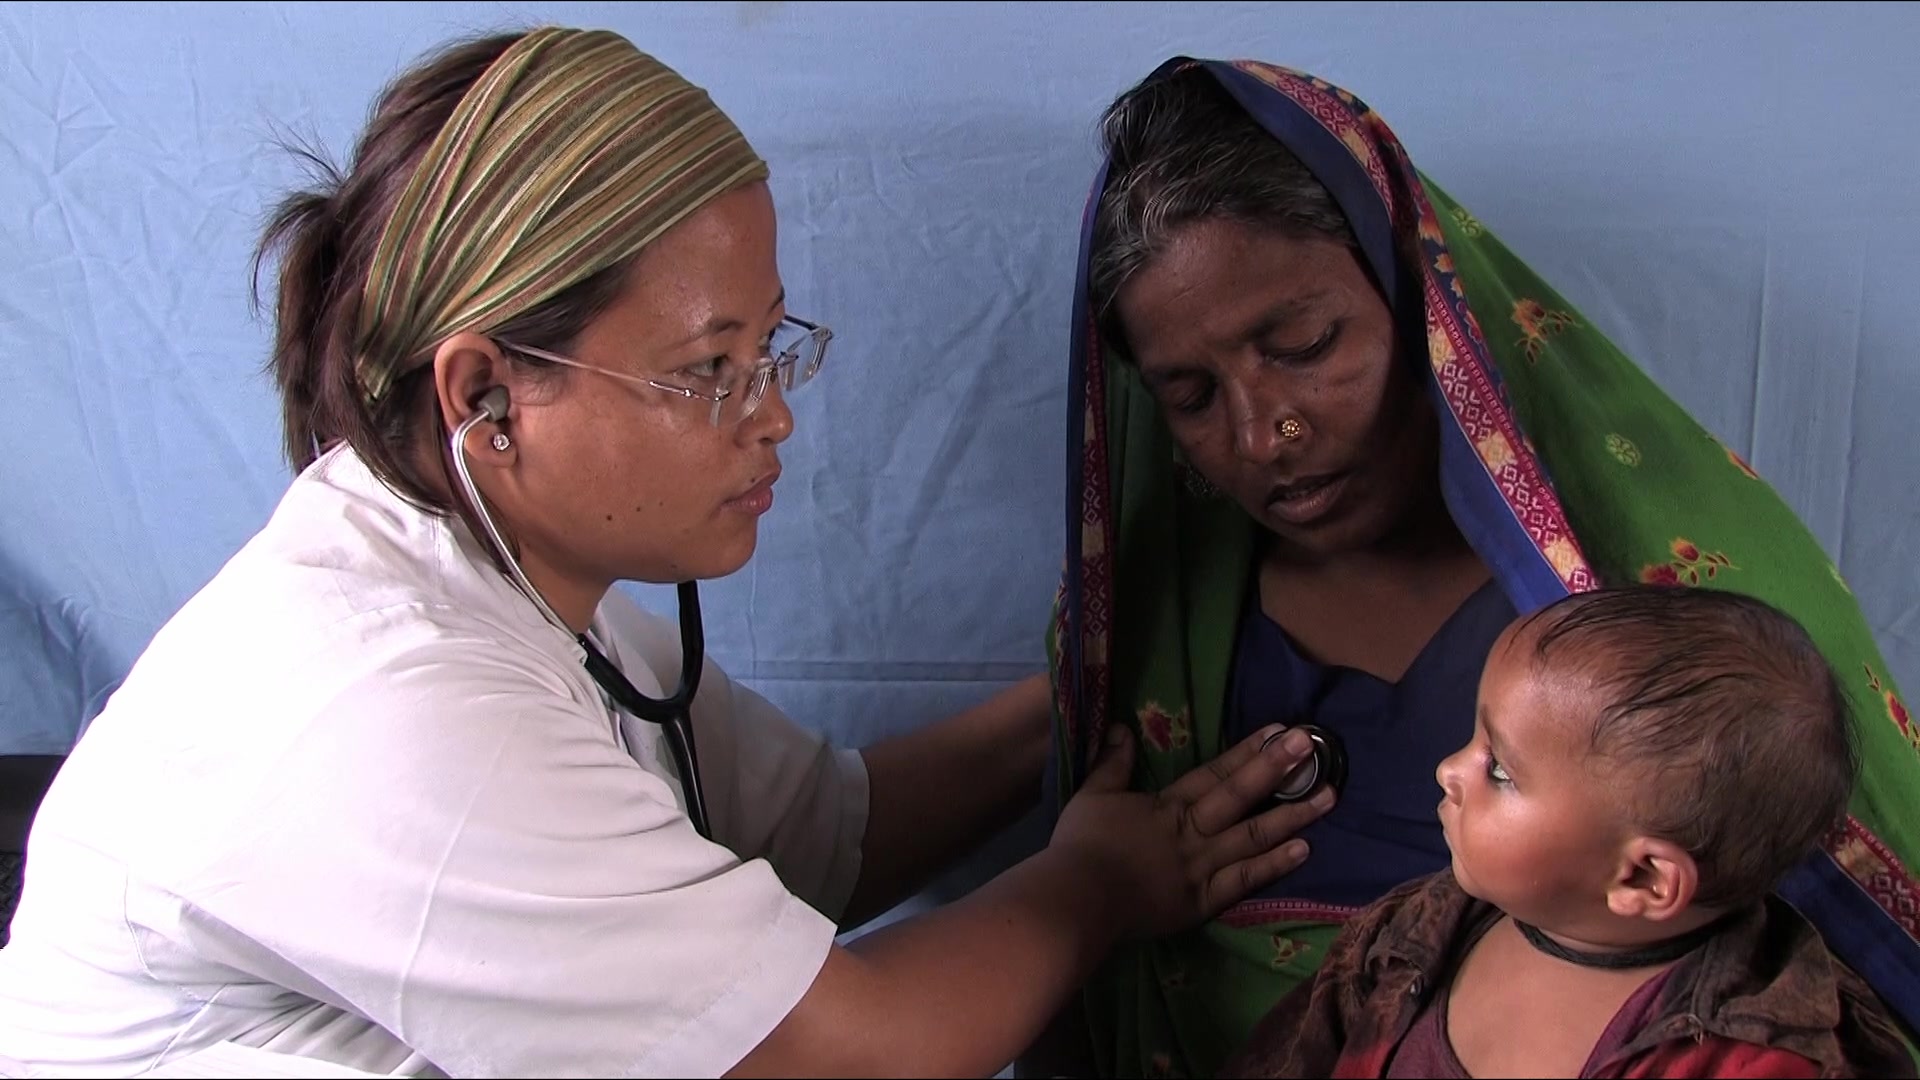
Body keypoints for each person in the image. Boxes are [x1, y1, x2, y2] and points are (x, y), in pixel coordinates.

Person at [0, 29, 1334, 1078]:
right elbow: (841, 1055)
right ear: (486, 402)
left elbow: (824, 834)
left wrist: (1106, 679)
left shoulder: (516, 583)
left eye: (769, 347)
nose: (774, 414)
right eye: (706, 372)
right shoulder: (391, 706)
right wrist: (1095, 883)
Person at [1040, 56, 1920, 1078]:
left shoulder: (1657, 599)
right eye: (1190, 396)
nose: (1263, 430)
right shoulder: (1140, 635)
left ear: (1422, 304)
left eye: (1306, 342)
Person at [1225, 585, 1913, 1079]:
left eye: (1499, 770)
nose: (1448, 770)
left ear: (1641, 878)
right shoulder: (1413, 934)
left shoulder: (1753, 1054)